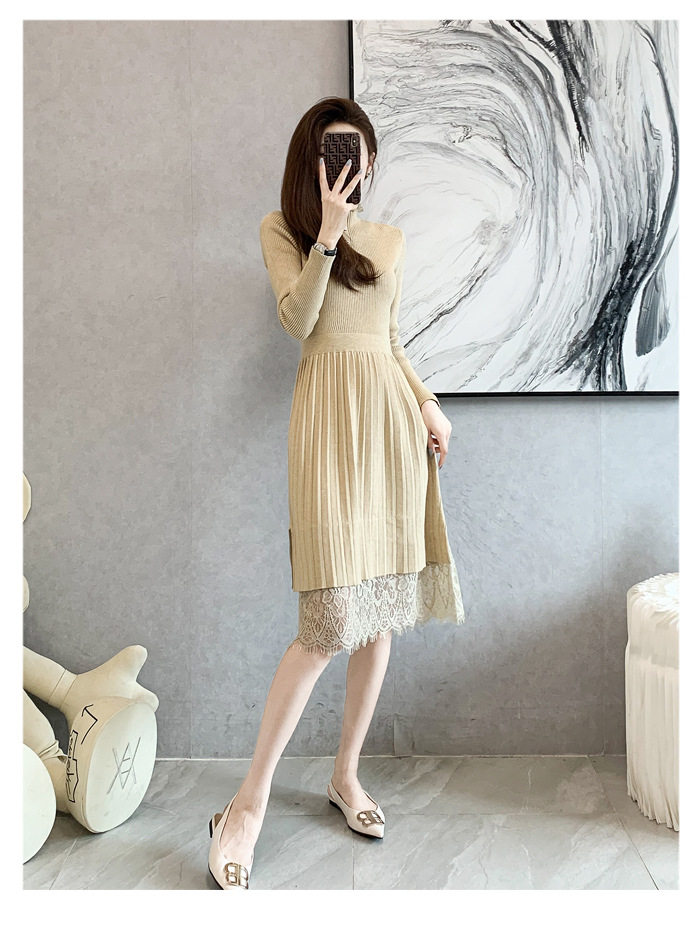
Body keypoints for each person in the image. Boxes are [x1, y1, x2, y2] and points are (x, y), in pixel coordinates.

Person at [207, 97, 465, 890]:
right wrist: (325, 230)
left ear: (370, 162)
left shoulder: (388, 241)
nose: (348, 165)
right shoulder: (281, 232)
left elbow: (389, 339)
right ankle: (246, 805)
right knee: (324, 626)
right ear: (310, 161)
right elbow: (299, 321)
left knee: (378, 618)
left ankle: (345, 774)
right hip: (326, 430)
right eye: (332, 152)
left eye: (357, 153)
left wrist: (426, 401)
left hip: (389, 428)